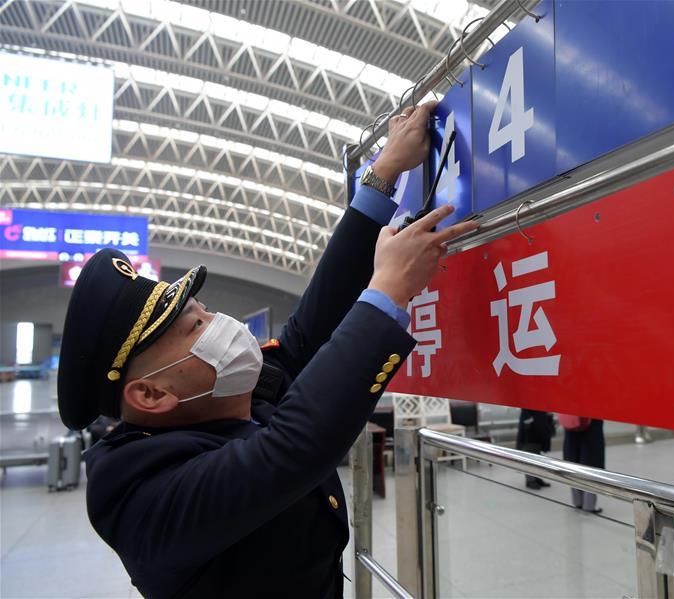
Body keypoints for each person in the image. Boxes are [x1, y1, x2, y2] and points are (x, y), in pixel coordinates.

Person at [56, 101, 478, 598]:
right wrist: (387, 292)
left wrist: (382, 175)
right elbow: (288, 450)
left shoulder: (224, 404)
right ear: (151, 395)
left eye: (204, 310)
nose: (219, 324)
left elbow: (308, 331)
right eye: (195, 327)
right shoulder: (139, 496)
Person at [561, 416, 606, 514]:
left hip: (571, 421)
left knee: (573, 463)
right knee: (590, 464)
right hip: (591, 424)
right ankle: (588, 506)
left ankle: (578, 502)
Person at [516, 409, 555, 489]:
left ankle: (536, 477)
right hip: (531, 427)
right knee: (530, 454)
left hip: (539, 423)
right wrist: (529, 420)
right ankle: (530, 480)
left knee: (537, 455)